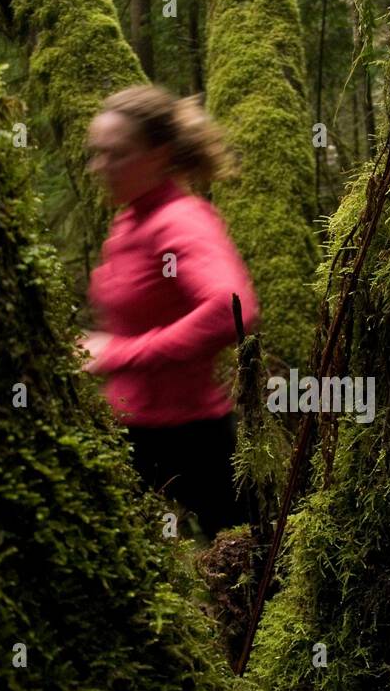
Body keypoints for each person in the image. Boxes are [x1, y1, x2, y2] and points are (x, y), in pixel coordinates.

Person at [81, 84, 259, 541]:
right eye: (96, 153)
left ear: (159, 154)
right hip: (129, 430)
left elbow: (231, 308)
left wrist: (121, 353)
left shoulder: (181, 219)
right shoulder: (129, 219)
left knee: (249, 570)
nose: (100, 167)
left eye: (116, 154)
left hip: (191, 437)